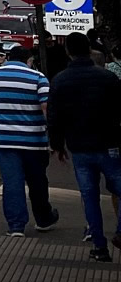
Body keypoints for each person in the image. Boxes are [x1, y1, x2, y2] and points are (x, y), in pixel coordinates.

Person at [48, 31, 121, 262]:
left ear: (68, 51)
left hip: (79, 147)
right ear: (89, 50)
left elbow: (54, 116)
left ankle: (99, 246)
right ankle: (120, 232)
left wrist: (57, 146)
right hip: (110, 144)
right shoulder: (108, 78)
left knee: (89, 197)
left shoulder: (60, 80)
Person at [0, 45, 59, 236]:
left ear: (8, 58)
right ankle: (43, 219)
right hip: (34, 140)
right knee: (38, 181)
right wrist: (53, 138)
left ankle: (16, 226)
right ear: (29, 60)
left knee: (12, 182)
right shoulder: (38, 78)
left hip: (4, 141)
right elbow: (47, 107)